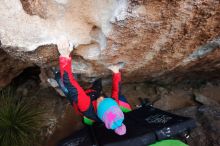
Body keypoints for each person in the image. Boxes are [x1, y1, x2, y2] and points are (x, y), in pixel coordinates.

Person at [56, 39, 132, 135]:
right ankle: (94, 91)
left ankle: (62, 84)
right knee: (98, 83)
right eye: (106, 99)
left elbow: (69, 83)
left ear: (99, 111)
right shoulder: (113, 105)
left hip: (82, 101)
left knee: (61, 79)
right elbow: (117, 90)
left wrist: (65, 56)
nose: (102, 98)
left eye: (101, 102)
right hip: (93, 94)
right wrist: (116, 72)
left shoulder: (86, 107)